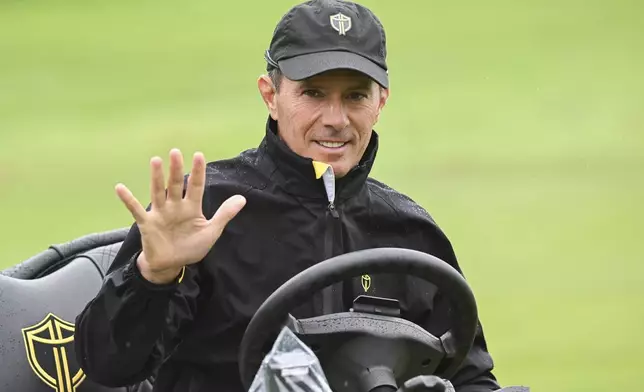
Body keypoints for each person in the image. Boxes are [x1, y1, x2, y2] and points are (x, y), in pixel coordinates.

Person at [74, 0, 500, 391]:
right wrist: (154, 276)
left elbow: (470, 376)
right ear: (271, 96)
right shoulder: (204, 212)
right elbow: (110, 366)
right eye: (313, 93)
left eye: (355, 96)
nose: (335, 119)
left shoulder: (412, 233)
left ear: (381, 102)